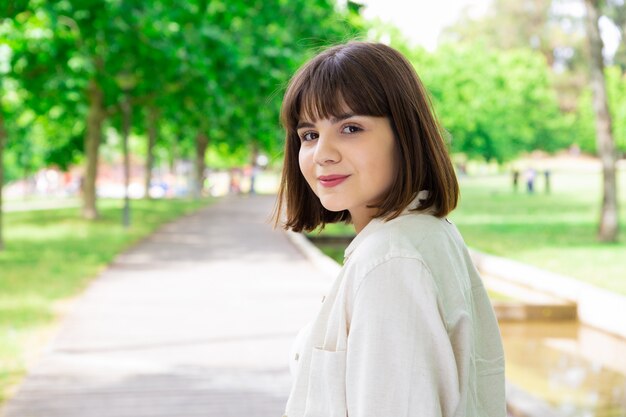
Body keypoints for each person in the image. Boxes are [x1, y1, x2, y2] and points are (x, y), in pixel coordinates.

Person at [273, 41, 505, 417]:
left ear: (405, 134)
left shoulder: (391, 262)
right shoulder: (423, 235)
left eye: (350, 128)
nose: (322, 153)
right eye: (309, 135)